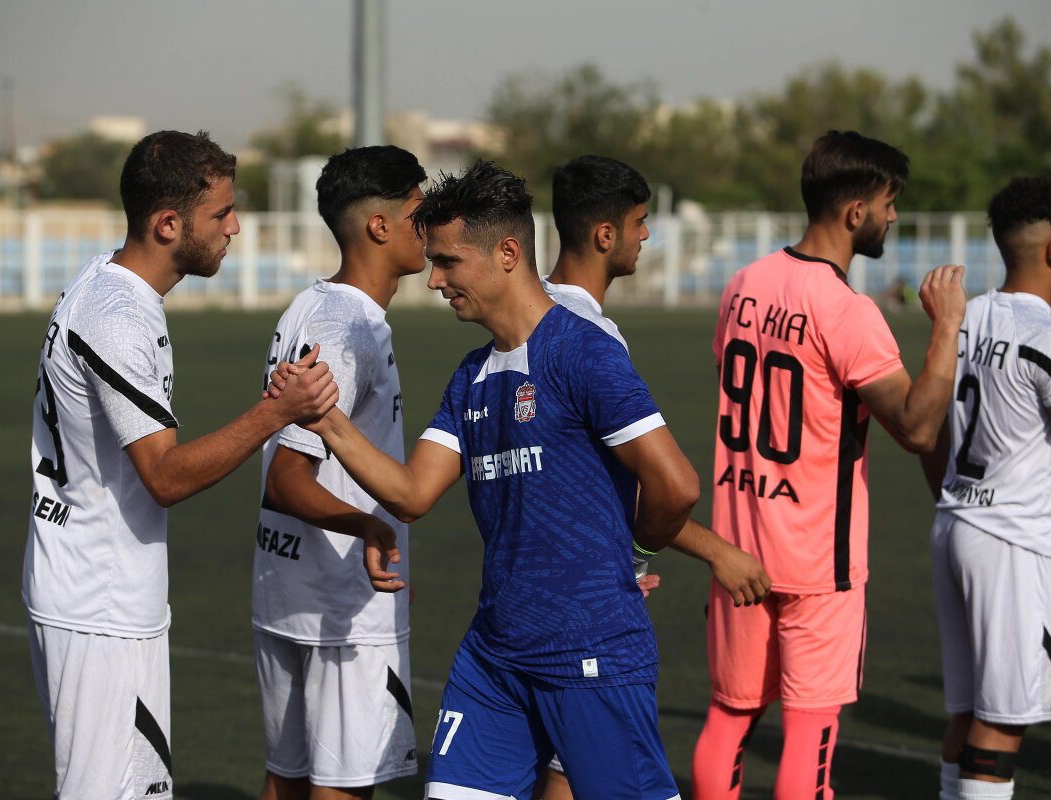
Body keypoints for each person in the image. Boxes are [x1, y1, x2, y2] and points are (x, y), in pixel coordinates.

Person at [273, 160, 699, 800]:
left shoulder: (584, 351)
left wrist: (634, 553)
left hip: (589, 652)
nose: (434, 280)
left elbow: (676, 485)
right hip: (496, 656)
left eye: (448, 262)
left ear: (507, 253)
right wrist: (325, 418)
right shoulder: (471, 375)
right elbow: (412, 493)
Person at [23, 130, 337, 800]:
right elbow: (164, 476)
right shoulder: (118, 316)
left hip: (94, 591)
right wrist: (277, 412)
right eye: (222, 213)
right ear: (168, 224)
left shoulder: (108, 283)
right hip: (99, 605)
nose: (235, 228)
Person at [690, 130, 967, 800]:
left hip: (739, 548)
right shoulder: (847, 310)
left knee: (730, 716)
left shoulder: (744, 284)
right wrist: (946, 327)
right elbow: (917, 426)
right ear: (855, 212)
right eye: (888, 203)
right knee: (811, 728)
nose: (893, 216)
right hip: (819, 562)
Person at [536, 154, 771, 800]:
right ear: (604, 234)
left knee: (559, 765)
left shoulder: (529, 316)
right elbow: (667, 486)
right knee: (594, 771)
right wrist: (705, 551)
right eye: (640, 222)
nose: (647, 235)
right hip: (586, 604)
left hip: (533, 590)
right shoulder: (588, 335)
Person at [252, 145, 427, 800]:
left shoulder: (307, 304)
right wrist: (370, 527)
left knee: (287, 780)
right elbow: (287, 477)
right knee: (343, 787)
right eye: (419, 212)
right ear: (379, 225)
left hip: (285, 585)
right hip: (342, 604)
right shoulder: (352, 327)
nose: (431, 226)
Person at [921, 176, 1051, 800]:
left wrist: (953, 499)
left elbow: (928, 428)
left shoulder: (961, 319)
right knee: (1001, 722)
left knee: (967, 712)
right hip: (1013, 544)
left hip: (954, 526)